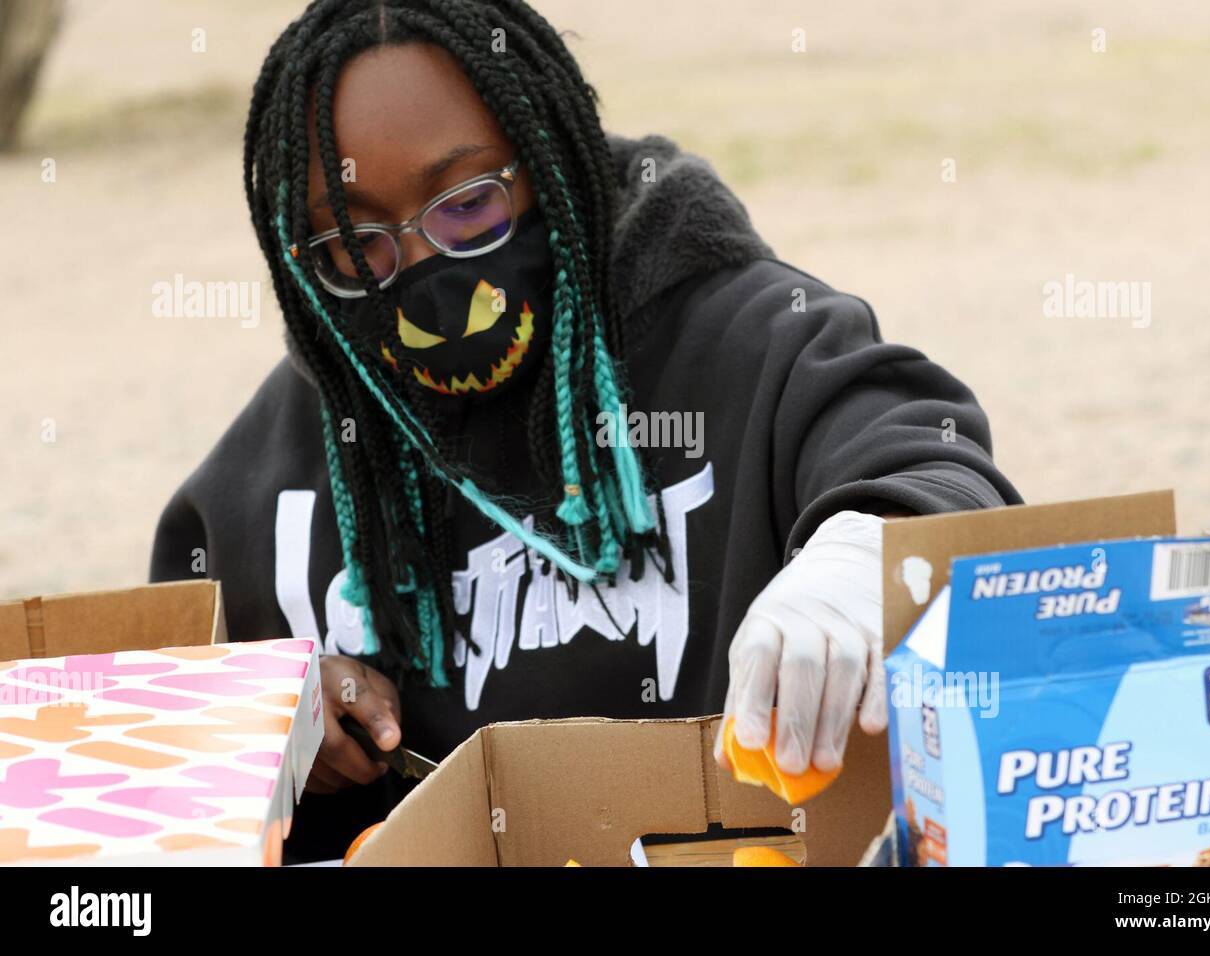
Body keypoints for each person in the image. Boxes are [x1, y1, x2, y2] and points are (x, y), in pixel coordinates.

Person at [150, 0, 1020, 862]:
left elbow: (932, 462)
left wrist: (857, 559)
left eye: (468, 203)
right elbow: (158, 724)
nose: (422, 272)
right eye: (357, 244)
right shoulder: (302, 445)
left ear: (553, 161)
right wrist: (270, 717)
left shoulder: (741, 337)